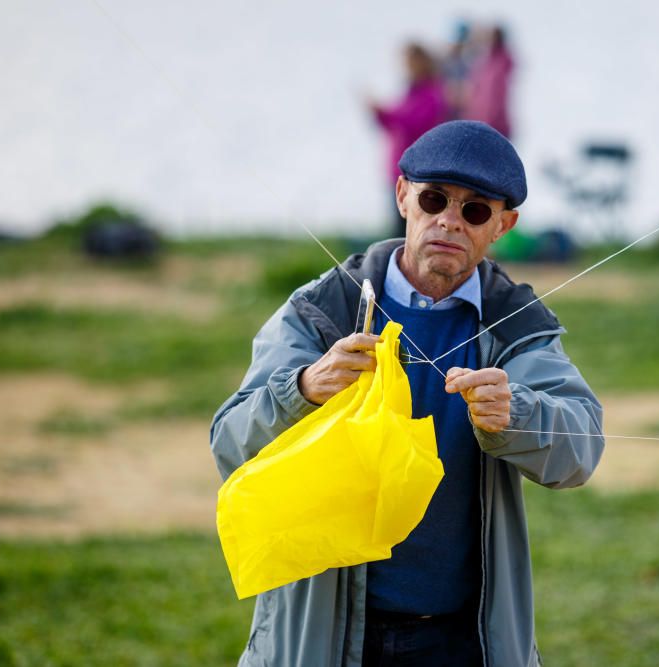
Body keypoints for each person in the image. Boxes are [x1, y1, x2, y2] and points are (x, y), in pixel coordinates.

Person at [210, 120, 604, 667]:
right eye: (434, 198)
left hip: (462, 640)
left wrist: (517, 413)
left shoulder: (518, 326)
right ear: (402, 196)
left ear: (503, 225)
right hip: (323, 635)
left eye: (474, 210)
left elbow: (581, 450)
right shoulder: (320, 310)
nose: (448, 220)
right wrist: (302, 389)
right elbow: (229, 444)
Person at [367, 43, 448, 239]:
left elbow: (414, 123)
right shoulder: (409, 92)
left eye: (411, 61)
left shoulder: (432, 93)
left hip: (419, 173)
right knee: (398, 229)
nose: (407, 66)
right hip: (397, 170)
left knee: (412, 231)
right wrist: (377, 113)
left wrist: (385, 112)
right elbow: (392, 123)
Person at [462, 25, 515, 138]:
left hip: (493, 128)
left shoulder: (499, 66)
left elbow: (493, 99)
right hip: (479, 124)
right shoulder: (484, 63)